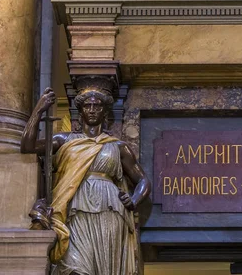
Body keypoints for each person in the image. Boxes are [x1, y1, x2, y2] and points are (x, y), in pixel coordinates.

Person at [21, 84, 151, 275]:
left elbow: (143, 181)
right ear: (80, 111)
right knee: (75, 267)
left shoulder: (117, 146)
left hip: (110, 210)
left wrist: (133, 200)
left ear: (104, 112)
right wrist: (38, 110)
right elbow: (27, 146)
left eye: (97, 106)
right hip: (74, 207)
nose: (92, 110)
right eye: (87, 106)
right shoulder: (65, 140)